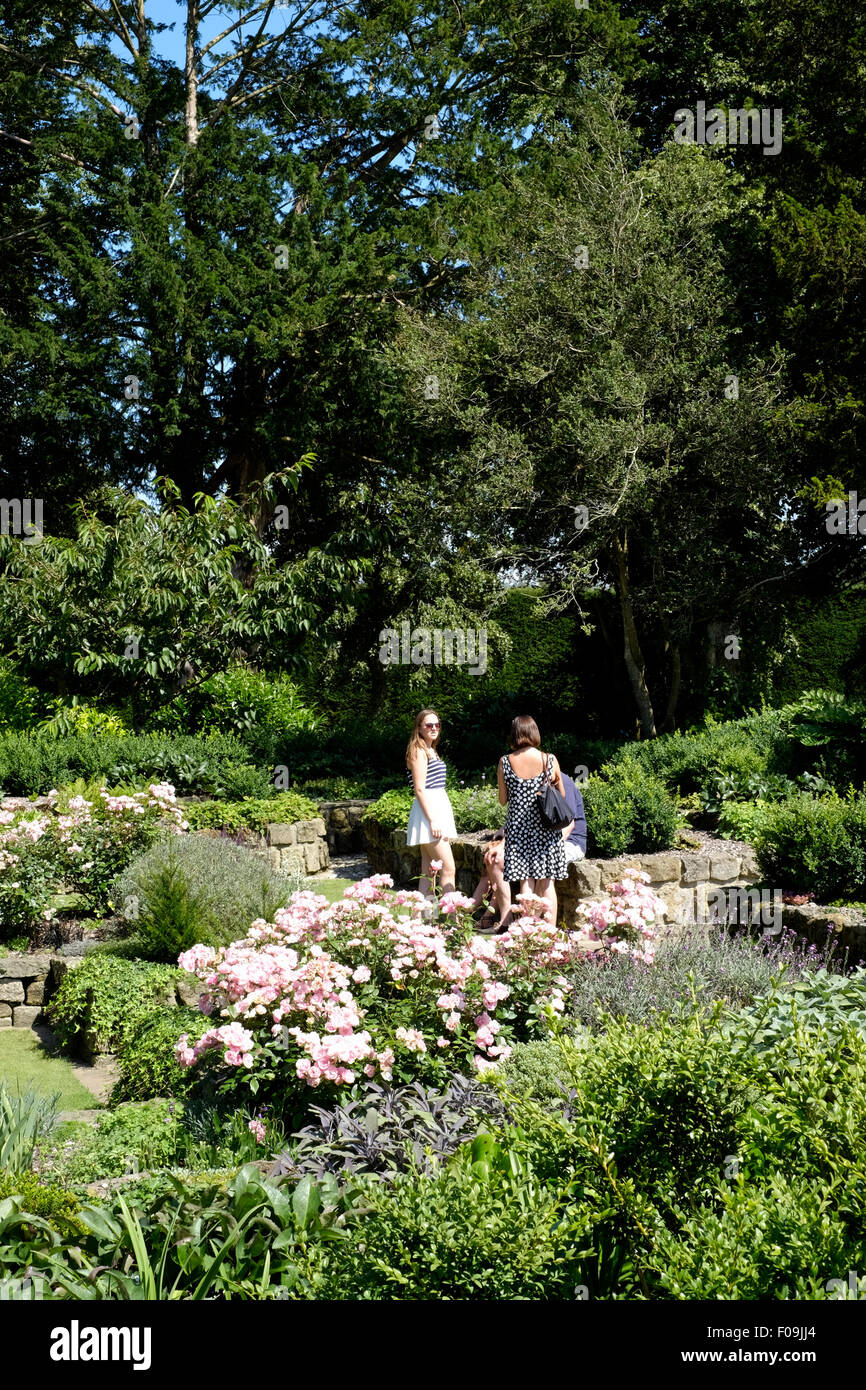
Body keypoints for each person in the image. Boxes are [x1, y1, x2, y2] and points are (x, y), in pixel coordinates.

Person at [497, 714, 567, 923]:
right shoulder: (550, 759)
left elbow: (502, 800)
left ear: (515, 734)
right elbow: (561, 794)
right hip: (546, 829)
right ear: (535, 732)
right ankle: (549, 934)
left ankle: (528, 933)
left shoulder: (504, 762)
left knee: (525, 883)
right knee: (547, 883)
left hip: (518, 830)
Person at [405, 708, 457, 903]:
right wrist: (433, 819)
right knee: (448, 868)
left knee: (429, 872)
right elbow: (419, 789)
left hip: (435, 811)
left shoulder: (430, 749)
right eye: (429, 725)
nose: (434, 728)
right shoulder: (418, 750)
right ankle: (452, 919)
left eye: (437, 724)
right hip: (430, 814)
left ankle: (425, 919)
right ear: (419, 728)